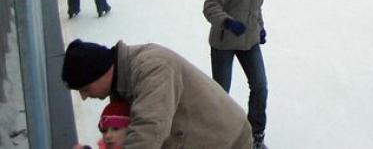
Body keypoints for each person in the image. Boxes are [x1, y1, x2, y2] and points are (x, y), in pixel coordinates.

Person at [61, 38, 252, 148]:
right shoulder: (121, 83)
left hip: (229, 142)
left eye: (84, 88)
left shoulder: (152, 68)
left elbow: (148, 133)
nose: (84, 96)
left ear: (101, 72)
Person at [203, 0, 269, 149]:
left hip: (249, 38)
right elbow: (210, 6)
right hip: (225, 40)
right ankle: (217, 137)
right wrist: (228, 22)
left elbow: (255, 6)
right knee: (221, 93)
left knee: (260, 86)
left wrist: (259, 26)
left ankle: (256, 135)